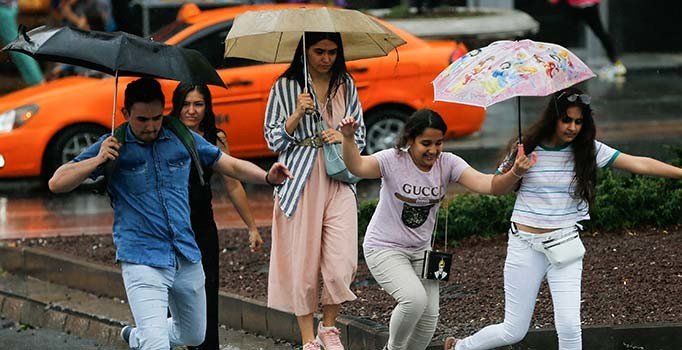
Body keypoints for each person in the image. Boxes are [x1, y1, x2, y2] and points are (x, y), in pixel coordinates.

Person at [48, 77, 291, 350]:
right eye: (142, 120)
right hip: (142, 257)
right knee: (157, 345)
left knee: (193, 336)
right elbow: (57, 183)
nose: (151, 127)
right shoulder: (113, 145)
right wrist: (98, 159)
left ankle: (139, 335)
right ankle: (150, 337)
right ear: (126, 114)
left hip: (185, 253)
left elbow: (229, 166)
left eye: (156, 118)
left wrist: (267, 177)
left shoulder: (181, 138)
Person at [443, 86, 682, 350]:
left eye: (579, 121)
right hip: (524, 245)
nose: (572, 127)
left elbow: (639, 163)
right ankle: (458, 347)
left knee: (569, 326)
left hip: (564, 246)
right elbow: (497, 189)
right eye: (566, 119)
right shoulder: (525, 148)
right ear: (553, 118)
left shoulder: (588, 149)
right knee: (513, 330)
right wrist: (516, 172)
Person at [337, 109, 536, 350]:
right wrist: (348, 138)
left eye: (438, 143)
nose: (433, 150)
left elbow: (490, 186)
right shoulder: (392, 160)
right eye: (426, 143)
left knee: (429, 320)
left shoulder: (448, 163)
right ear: (410, 140)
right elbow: (357, 166)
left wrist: (515, 172)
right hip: (384, 247)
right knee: (413, 300)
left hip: (422, 250)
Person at [263, 31, 365, 350]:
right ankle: (309, 338)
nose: (326, 58)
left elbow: (360, 137)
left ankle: (329, 327)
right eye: (319, 51)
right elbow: (272, 140)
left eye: (333, 52)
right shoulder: (285, 86)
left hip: (339, 176)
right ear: (305, 51)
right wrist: (295, 114)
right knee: (302, 262)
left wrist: (343, 137)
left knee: (342, 260)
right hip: (299, 178)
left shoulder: (345, 84)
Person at [170, 83, 263, 350]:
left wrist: (252, 226)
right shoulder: (166, 135)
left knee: (206, 291)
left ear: (207, 107)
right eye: (186, 104)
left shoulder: (215, 138)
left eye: (198, 104)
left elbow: (233, 184)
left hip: (202, 226)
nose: (192, 110)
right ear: (177, 106)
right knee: (170, 292)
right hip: (169, 227)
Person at [549, 0, 626, 78]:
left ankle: (616, 62)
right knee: (565, 34)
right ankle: (557, 63)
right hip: (576, 7)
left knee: (600, 33)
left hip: (586, 6)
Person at [0, 0, 44, 86]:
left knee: (17, 47)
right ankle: (37, 82)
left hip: (4, 8)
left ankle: (37, 82)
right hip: (6, 7)